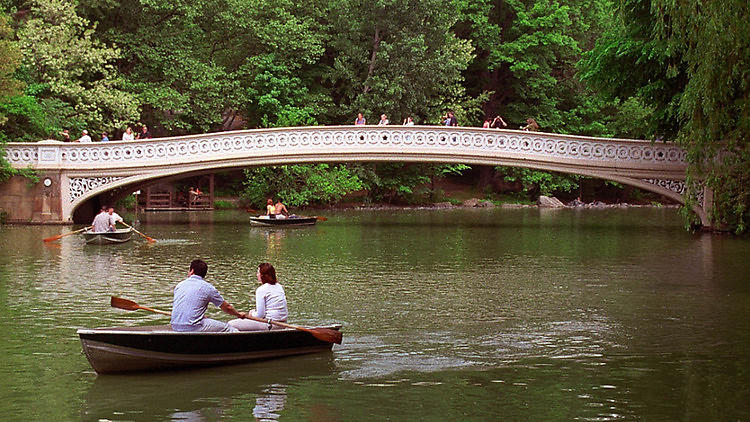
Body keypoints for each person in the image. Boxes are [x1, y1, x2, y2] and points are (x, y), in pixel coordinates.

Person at [170, 259, 246, 332]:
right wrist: (238, 314)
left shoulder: (179, 285)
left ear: (192, 271)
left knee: (205, 321)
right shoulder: (208, 288)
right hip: (193, 326)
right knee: (229, 328)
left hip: (175, 325)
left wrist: (201, 317)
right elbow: (227, 307)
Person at [228, 263, 288, 331]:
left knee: (231, 324)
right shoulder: (279, 286)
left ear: (263, 276)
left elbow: (260, 315)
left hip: (271, 324)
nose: (257, 275)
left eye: (258, 273)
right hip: (282, 323)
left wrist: (251, 314)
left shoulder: (261, 290)